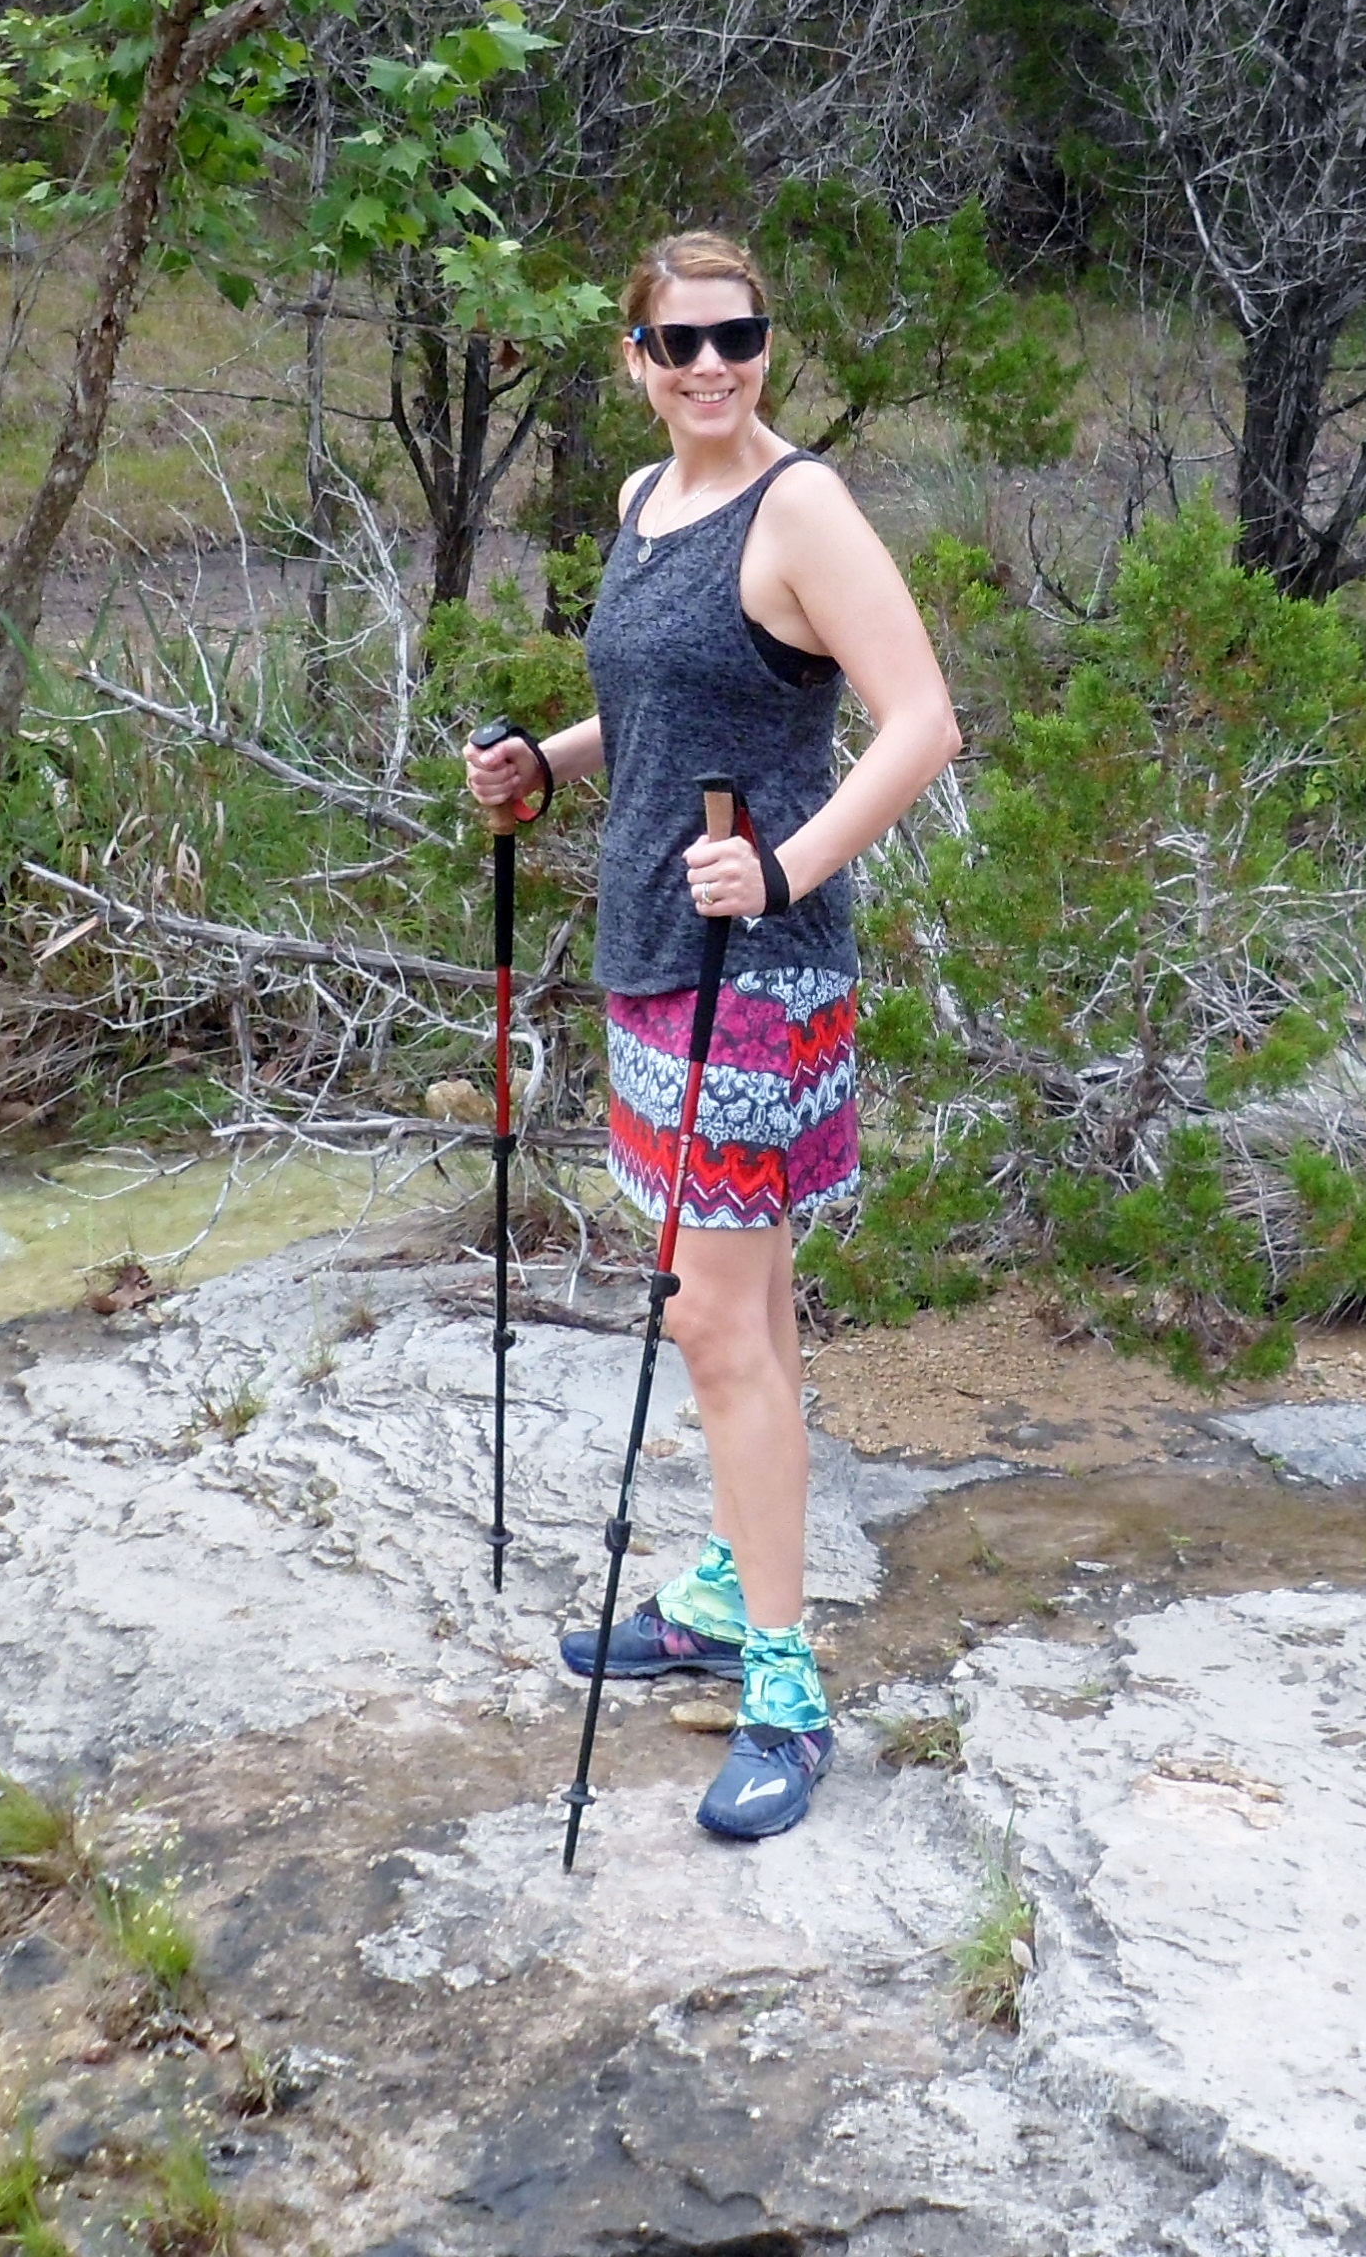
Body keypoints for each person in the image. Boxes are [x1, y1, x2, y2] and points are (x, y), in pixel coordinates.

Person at [463, 230, 960, 1842]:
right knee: (748, 1309)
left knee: (709, 1323)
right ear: (636, 360)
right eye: (677, 343)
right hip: (652, 952)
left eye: (734, 338)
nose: (708, 368)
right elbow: (669, 710)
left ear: (765, 345)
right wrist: (549, 761)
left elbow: (923, 724)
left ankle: (787, 1692)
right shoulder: (643, 500)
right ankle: (735, 1592)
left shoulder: (799, 506)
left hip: (756, 969)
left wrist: (789, 866)